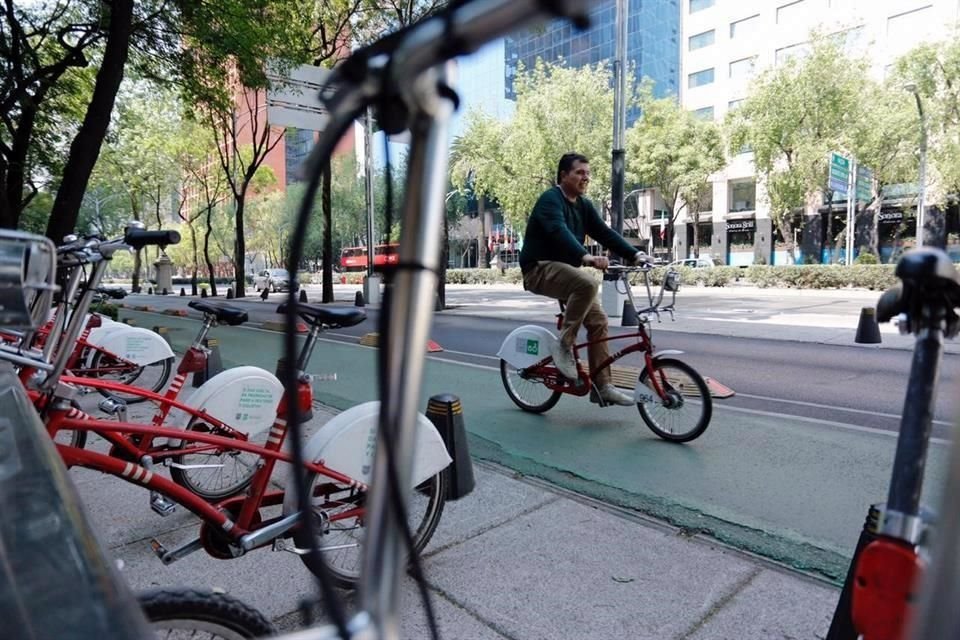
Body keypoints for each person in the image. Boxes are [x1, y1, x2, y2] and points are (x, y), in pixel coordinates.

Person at [519, 152, 652, 407]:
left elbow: (604, 233)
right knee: (588, 282)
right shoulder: (551, 200)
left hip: (565, 274)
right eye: (580, 172)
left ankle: (602, 387)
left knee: (599, 321)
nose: (586, 177)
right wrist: (585, 257)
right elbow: (559, 232)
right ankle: (564, 346)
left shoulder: (583, 205)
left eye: (588, 173)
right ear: (563, 175)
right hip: (538, 269)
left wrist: (635, 255)